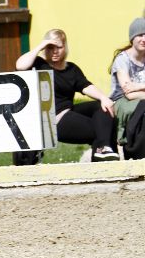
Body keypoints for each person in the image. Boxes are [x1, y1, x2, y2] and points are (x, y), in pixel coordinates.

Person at [16, 29, 119, 161]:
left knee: (102, 107)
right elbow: (20, 65)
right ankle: (103, 152)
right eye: (50, 47)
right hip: (53, 119)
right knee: (102, 129)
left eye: (58, 47)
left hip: (69, 112)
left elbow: (85, 86)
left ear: (65, 47)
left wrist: (104, 98)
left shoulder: (71, 69)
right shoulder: (39, 64)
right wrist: (41, 45)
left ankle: (103, 150)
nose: (54, 51)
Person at [110, 17, 145, 134]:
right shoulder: (122, 60)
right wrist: (136, 88)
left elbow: (134, 89)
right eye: (140, 35)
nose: (144, 39)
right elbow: (129, 94)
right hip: (122, 102)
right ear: (132, 38)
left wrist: (137, 86)